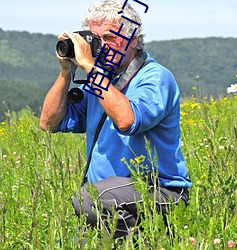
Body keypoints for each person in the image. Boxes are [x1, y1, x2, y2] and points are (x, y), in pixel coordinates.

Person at [40, 0, 192, 244]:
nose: (101, 46)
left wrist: (89, 66)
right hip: (109, 199)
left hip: (160, 192)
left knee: (88, 200)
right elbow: (49, 123)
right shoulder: (99, 81)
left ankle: (146, 241)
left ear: (133, 38)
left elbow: (127, 120)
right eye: (95, 37)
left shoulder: (155, 77)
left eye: (109, 37)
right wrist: (66, 70)